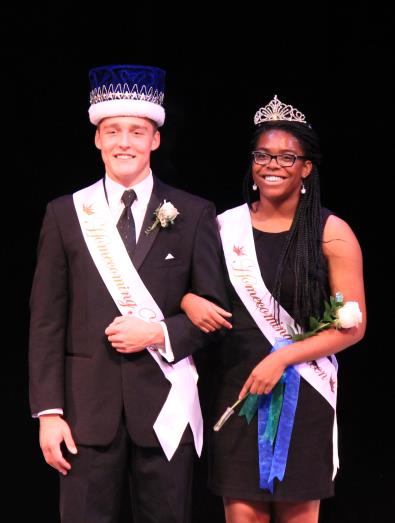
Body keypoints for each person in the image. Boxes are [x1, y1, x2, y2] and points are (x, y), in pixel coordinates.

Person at [28, 64, 230, 523]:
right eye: (113, 130)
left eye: (137, 131)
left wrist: (158, 334)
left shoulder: (193, 214)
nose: (125, 142)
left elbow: (215, 316)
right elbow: (45, 321)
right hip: (84, 414)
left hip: (164, 409)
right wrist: (48, 413)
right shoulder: (64, 214)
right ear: (97, 137)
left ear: (155, 139)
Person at [180, 95, 366, 523]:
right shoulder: (224, 228)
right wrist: (188, 299)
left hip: (306, 389)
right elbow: (187, 289)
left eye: (287, 156)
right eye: (262, 155)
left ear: (306, 167)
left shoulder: (331, 232)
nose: (272, 165)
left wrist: (281, 357)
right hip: (238, 389)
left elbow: (353, 326)